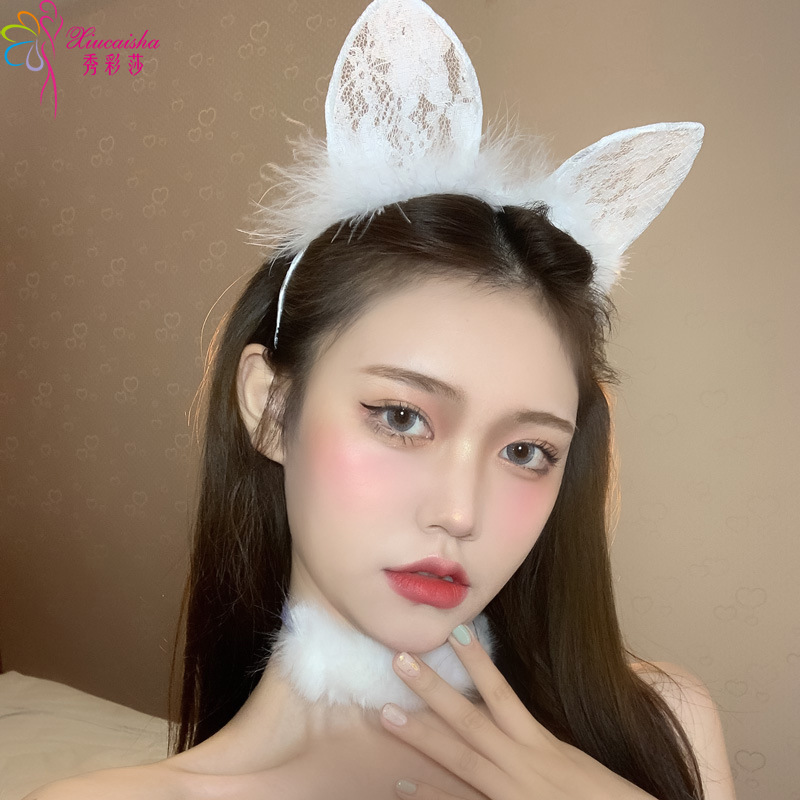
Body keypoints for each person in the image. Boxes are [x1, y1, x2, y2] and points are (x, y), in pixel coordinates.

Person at [25, 1, 737, 799]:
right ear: (271, 408)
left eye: (526, 450)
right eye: (401, 418)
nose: (459, 513)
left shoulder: (663, 722)